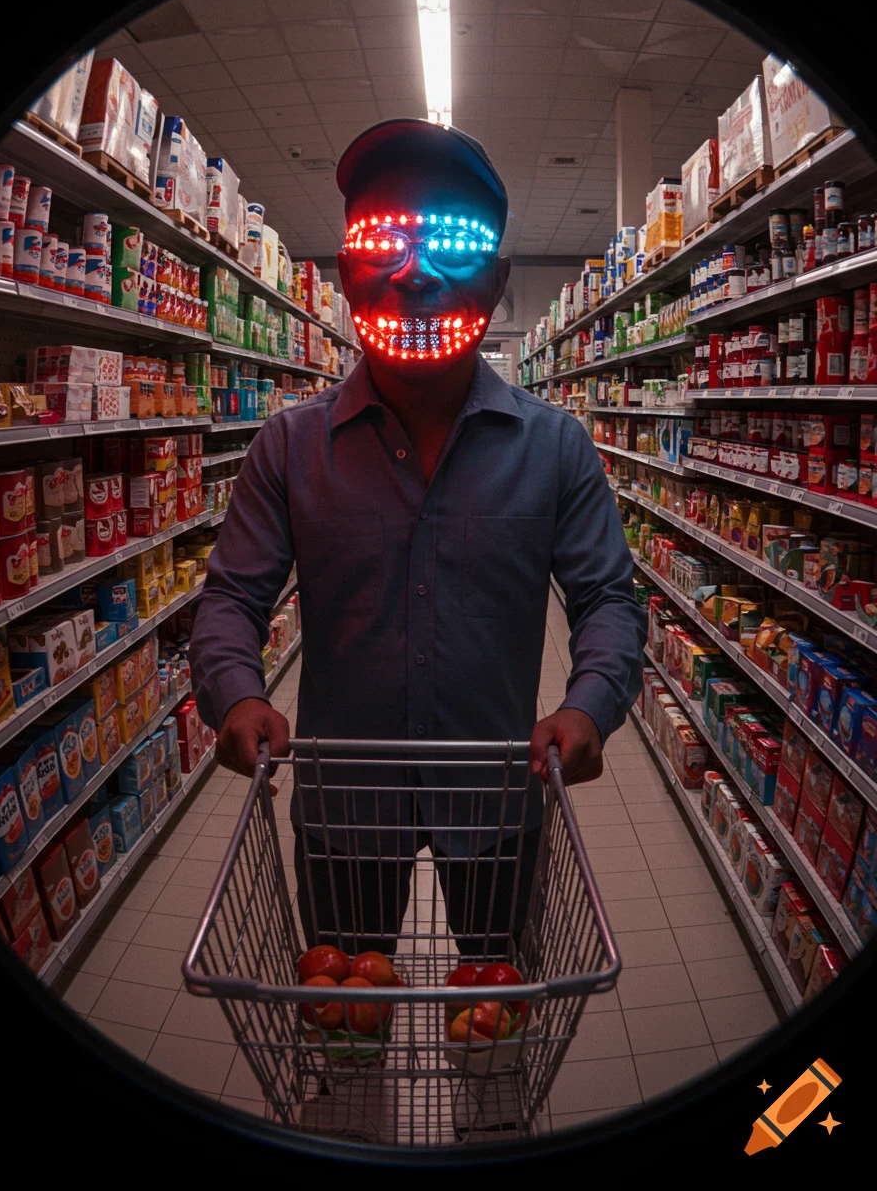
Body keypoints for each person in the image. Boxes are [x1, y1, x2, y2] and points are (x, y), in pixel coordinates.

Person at [190, 118, 647, 968]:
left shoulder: (557, 448)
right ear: (344, 274)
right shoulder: (287, 448)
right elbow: (231, 598)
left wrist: (589, 705)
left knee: (495, 1025)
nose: (414, 272)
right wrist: (234, 690)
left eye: (453, 244)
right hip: (343, 807)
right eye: (380, 242)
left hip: (500, 802)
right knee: (344, 1013)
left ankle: (489, 1100)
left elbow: (607, 601)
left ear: (500, 279)